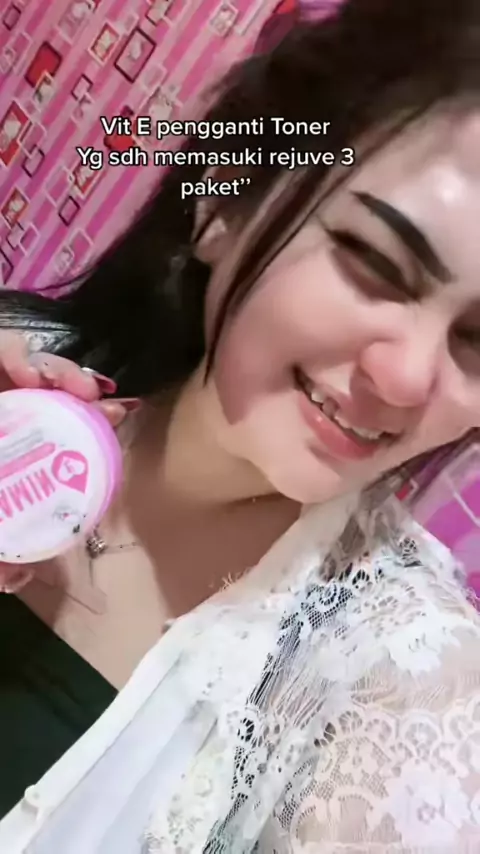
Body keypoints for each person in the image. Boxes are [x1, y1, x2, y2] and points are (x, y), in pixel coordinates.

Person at [1, 0, 480, 849]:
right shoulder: (19, 359)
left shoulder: (404, 694)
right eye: (374, 260)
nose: (407, 376)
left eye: (477, 340)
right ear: (225, 204)